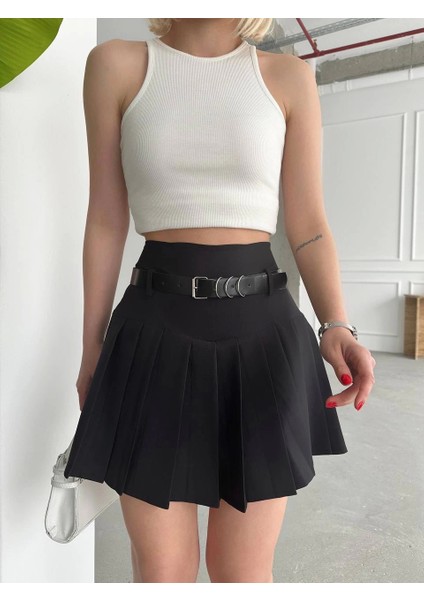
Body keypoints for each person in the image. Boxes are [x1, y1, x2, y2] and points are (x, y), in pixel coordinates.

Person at [63, 18, 376, 583]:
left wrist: (337, 323)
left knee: (243, 572)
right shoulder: (115, 64)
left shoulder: (289, 77)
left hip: (264, 340)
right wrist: (91, 350)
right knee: (162, 572)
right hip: (151, 333)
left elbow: (308, 225)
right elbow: (106, 219)